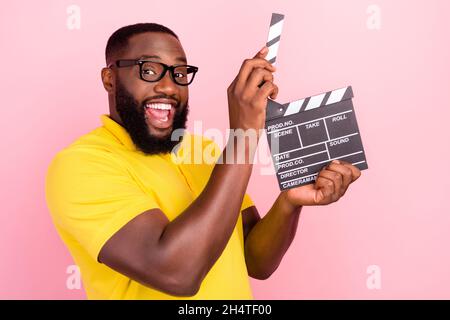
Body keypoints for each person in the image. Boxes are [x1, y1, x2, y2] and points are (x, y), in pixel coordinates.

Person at [45, 23, 361, 299]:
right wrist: (244, 134)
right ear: (109, 79)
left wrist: (289, 203)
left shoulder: (204, 151)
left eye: (180, 73)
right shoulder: (80, 166)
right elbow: (177, 273)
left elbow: (255, 260)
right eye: (150, 70)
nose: (169, 86)